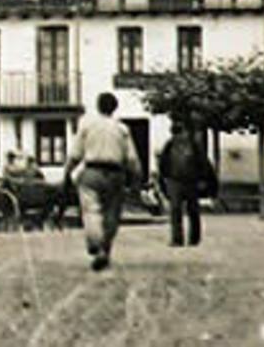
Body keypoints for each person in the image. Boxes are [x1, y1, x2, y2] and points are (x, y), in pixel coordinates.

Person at [65, 92, 141, 271]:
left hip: (92, 171)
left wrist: (67, 172)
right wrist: (137, 177)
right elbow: (131, 158)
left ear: (98, 106)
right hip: (115, 174)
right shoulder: (122, 129)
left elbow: (75, 154)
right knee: (112, 214)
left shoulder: (87, 125)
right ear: (115, 108)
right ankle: (104, 250)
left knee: (91, 210)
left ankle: (96, 243)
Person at [155, 119, 217, 249]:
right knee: (187, 210)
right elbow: (204, 163)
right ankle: (189, 238)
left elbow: (162, 164)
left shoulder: (174, 144)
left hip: (181, 181)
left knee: (181, 211)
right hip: (185, 181)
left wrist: (163, 179)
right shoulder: (188, 144)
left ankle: (182, 239)